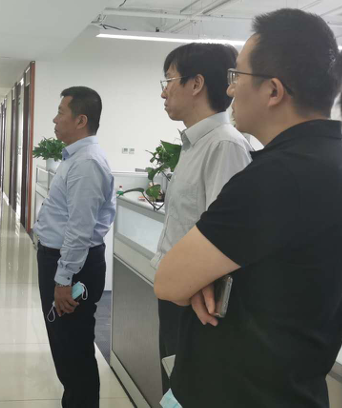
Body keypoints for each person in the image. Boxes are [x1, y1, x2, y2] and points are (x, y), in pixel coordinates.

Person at [154, 8, 342, 408]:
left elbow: (169, 281)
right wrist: (205, 275)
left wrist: (198, 277)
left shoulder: (280, 175)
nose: (230, 90)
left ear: (273, 91)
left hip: (240, 391)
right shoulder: (328, 160)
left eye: (237, 76)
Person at [153, 43, 252, 394]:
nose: (163, 92)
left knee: (187, 393)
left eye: (169, 80)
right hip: (179, 294)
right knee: (173, 391)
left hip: (198, 304)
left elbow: (226, 240)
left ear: (196, 84)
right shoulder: (196, 144)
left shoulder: (224, 145)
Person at [34, 86, 116, 408]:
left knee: (74, 349)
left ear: (81, 120)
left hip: (73, 267)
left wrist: (63, 278)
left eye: (60, 113)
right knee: (66, 347)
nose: (55, 120)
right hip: (63, 262)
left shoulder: (86, 164)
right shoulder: (76, 158)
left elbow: (80, 230)